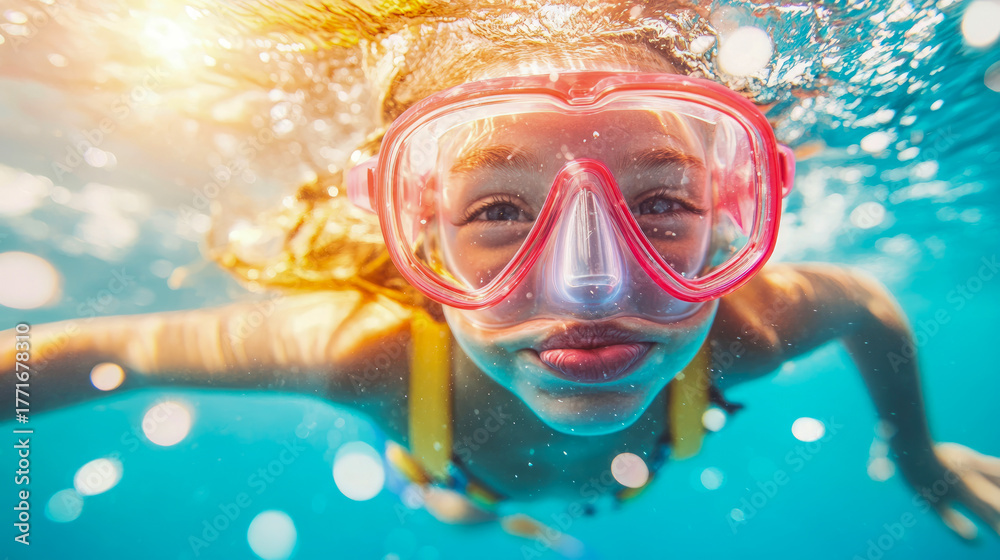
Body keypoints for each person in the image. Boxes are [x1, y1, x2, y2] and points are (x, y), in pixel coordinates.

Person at [3, 0, 999, 545]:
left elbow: (869, 305)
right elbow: (95, 351)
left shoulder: (747, 323)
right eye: (496, 212)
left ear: (736, 209)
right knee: (460, 508)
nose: (591, 286)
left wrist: (920, 454)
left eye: (660, 203)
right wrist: (908, 454)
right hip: (454, 463)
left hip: (621, 462)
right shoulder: (365, 354)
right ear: (415, 232)